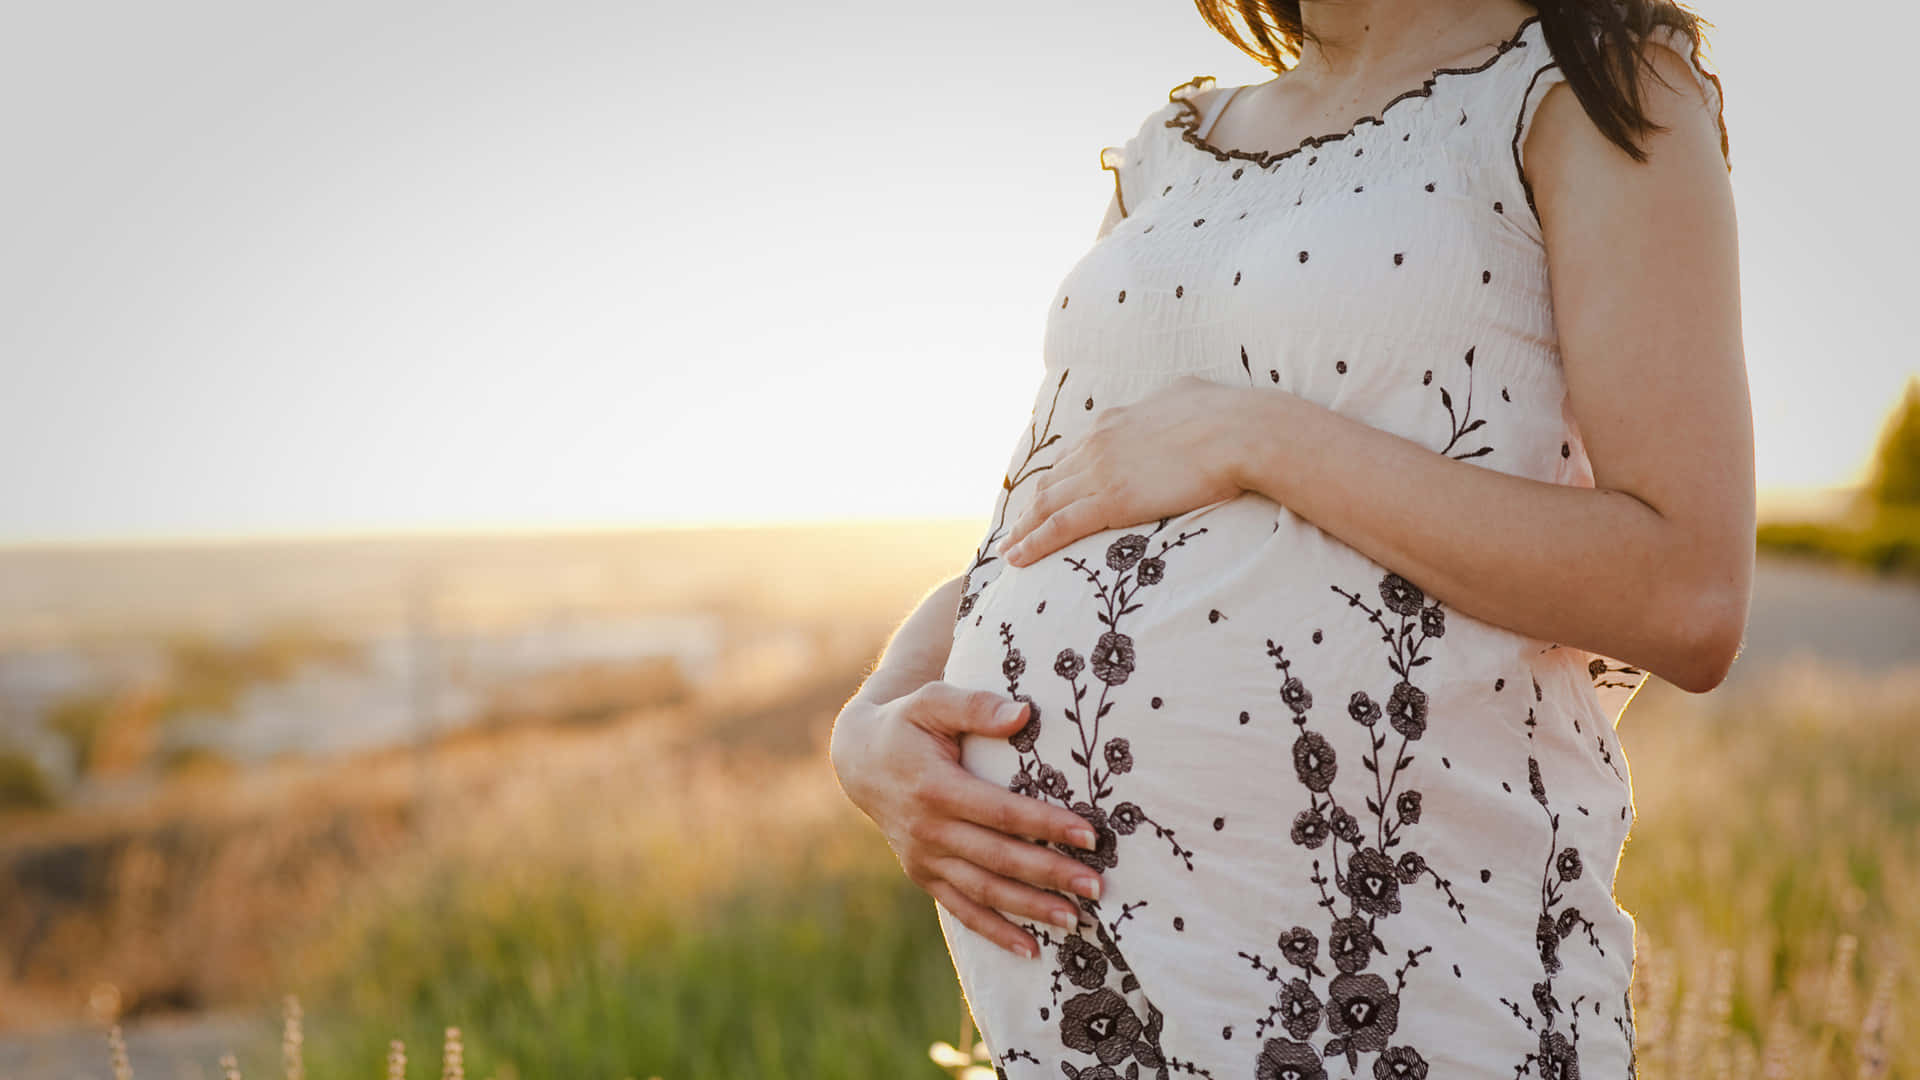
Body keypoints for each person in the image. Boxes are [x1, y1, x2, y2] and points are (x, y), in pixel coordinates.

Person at [830, 0, 1750, 1074]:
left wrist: (1253, 435)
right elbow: (1045, 519)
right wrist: (869, 727)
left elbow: (1686, 593)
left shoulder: (1587, 86)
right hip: (1072, 1005)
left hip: (1414, 990)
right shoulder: (1167, 155)